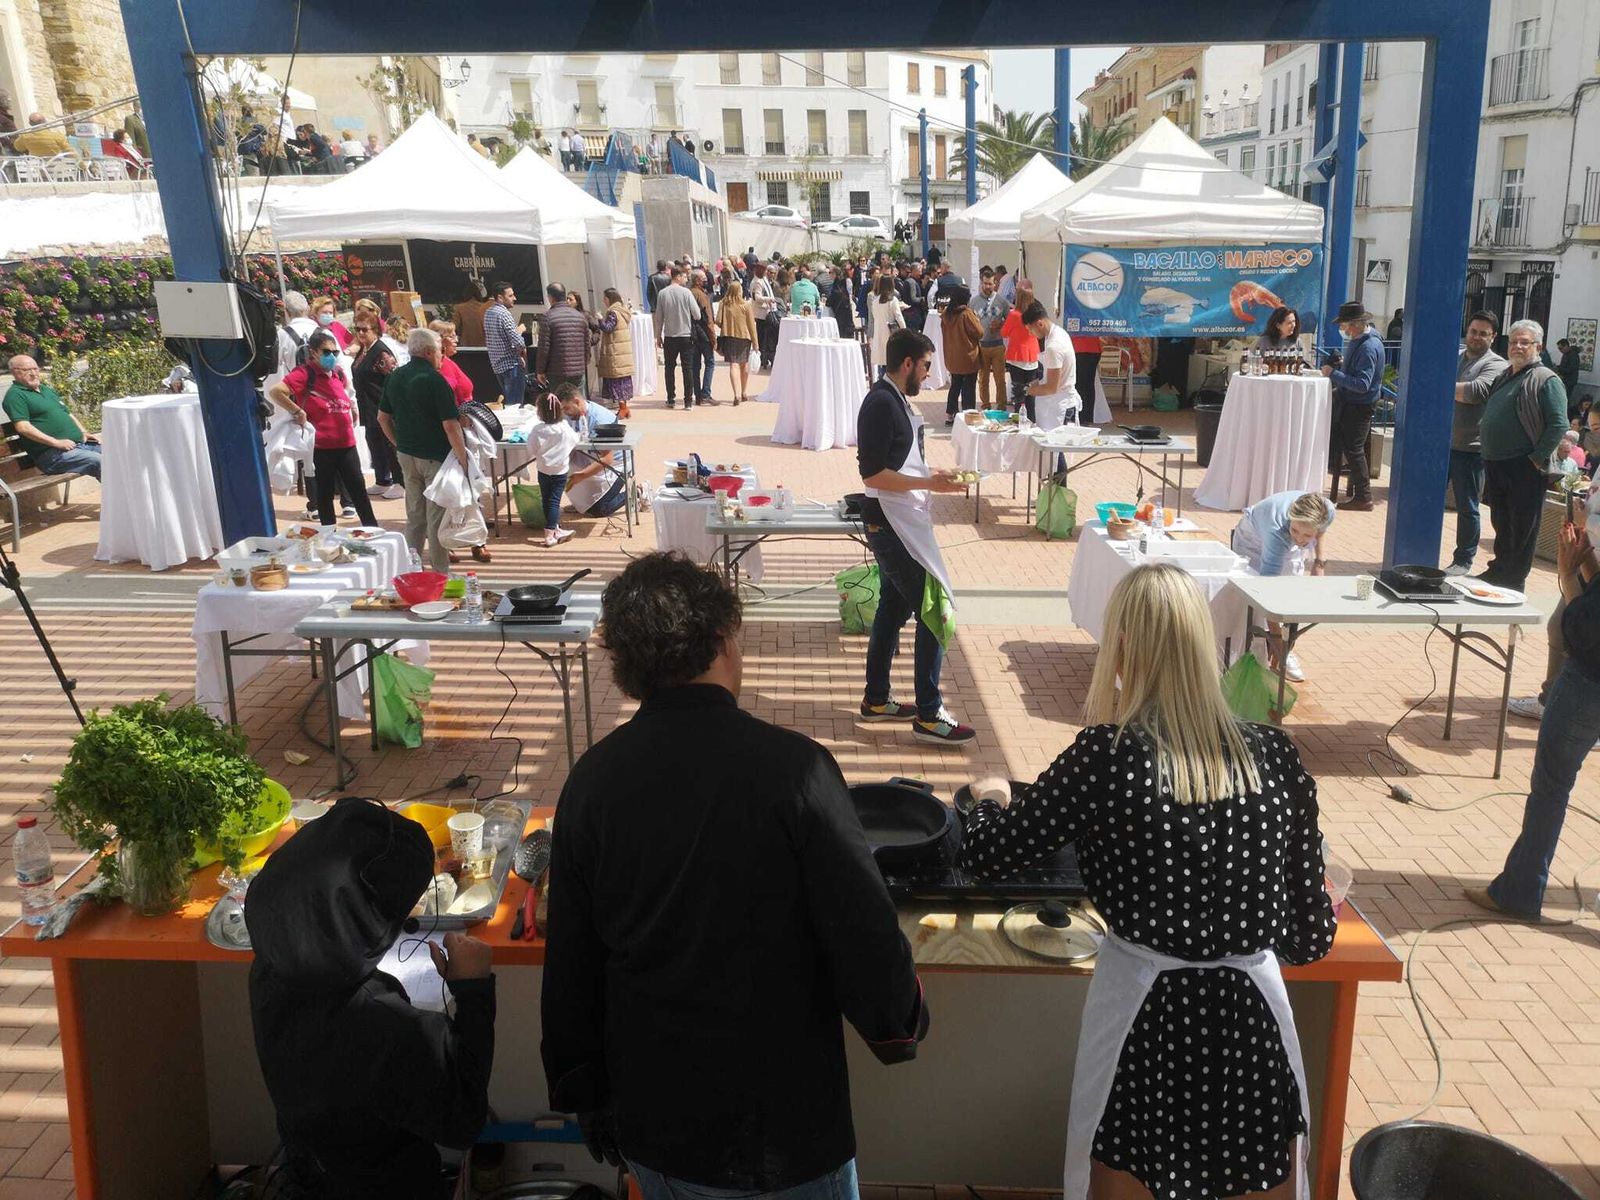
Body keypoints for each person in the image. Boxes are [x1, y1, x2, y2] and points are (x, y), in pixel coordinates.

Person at [542, 552, 929, 1190]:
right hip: (783, 1124)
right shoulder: (795, 770)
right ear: (723, 638)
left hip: (656, 1118)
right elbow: (863, 928)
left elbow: (572, 964)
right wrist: (899, 1021)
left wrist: (584, 1090)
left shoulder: (591, 783)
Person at [959, 562, 1335, 1200]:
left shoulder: (1106, 757)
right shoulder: (1273, 757)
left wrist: (988, 797)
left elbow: (989, 854)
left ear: (1125, 650)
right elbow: (1308, 938)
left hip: (1147, 1026)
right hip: (1251, 1033)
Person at [246, 796, 495, 1200]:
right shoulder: (384, 1025)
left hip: (310, 1173)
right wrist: (475, 990)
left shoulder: (271, 970)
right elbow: (463, 1120)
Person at [1468, 516, 1600, 921]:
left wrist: (1566, 571)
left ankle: (1520, 891)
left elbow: (1583, 629)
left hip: (1588, 682)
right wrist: (1584, 563)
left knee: (1551, 787)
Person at [857, 329, 975, 746]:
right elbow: (872, 475)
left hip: (900, 521)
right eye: (926, 365)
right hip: (890, 525)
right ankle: (929, 712)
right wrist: (931, 484)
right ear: (907, 363)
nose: (928, 373)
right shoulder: (880, 403)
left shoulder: (895, 399)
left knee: (893, 608)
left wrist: (931, 477)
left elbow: (900, 461)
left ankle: (876, 699)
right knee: (935, 607)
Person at [1477, 318, 1568, 592]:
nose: (1517, 346)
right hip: (1498, 463)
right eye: (1514, 341)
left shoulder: (1546, 379)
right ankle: (1500, 570)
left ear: (1537, 346)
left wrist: (1537, 458)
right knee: (1501, 521)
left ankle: (1514, 579)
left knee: (1522, 525)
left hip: (1524, 466)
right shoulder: (1506, 375)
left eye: (1524, 342)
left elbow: (1559, 423)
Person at [378, 328, 471, 572]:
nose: (442, 356)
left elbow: (382, 418)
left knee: (415, 516)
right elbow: (450, 426)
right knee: (436, 519)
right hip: (434, 457)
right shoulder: (435, 380)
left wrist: (398, 443)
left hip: (407, 455)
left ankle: (412, 569)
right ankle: (440, 573)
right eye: (440, 351)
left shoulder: (395, 376)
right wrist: (463, 459)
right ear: (429, 352)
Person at [268, 330, 378, 528]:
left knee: (359, 491)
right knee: (325, 495)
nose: (331, 356)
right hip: (321, 447)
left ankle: (372, 530)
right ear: (314, 352)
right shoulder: (304, 374)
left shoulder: (337, 374)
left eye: (335, 353)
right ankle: (329, 535)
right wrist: (297, 411)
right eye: (326, 352)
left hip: (346, 444)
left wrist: (351, 408)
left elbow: (343, 394)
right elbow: (276, 392)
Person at [1231, 490, 1335, 682]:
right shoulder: (1277, 533)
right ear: (1291, 518)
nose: (1300, 539)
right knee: (1255, 599)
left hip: (1283, 537)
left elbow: (1321, 530)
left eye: (1307, 534)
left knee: (1291, 594)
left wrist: (1319, 563)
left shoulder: (1327, 509)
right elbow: (1267, 593)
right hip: (1252, 541)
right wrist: (1279, 643)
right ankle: (1257, 649)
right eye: (1296, 530)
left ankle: (1285, 647)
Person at [1445, 310, 1508, 577]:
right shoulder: (1456, 358)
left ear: (1493, 337)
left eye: (1483, 333)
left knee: (1468, 508)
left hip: (1470, 449)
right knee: (1425, 498)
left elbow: (1475, 392)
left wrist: (1438, 385)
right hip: (1441, 446)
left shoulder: (1496, 364)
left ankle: (1463, 559)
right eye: (1473, 331)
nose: (1477, 337)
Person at [1321, 302, 1386, 512]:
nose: (1343, 330)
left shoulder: (1368, 347)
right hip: (1355, 404)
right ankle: (1360, 492)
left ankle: (1363, 496)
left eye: (1345, 326)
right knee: (1352, 448)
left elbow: (1362, 384)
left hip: (1359, 406)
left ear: (1356, 324)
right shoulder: (1364, 340)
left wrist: (1334, 373)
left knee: (1354, 450)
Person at [2, 355, 100, 479]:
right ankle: (118, 497)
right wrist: (56, 443)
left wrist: (83, 432)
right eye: (27, 370)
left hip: (79, 445)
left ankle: (128, 495)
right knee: (98, 461)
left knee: (116, 455)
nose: (33, 373)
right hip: (53, 456)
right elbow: (23, 427)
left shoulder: (45, 390)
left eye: (36, 369)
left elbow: (67, 414)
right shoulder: (15, 396)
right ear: (15, 372)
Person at [348, 316, 405, 500]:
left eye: (365, 329)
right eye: (358, 329)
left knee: (390, 443)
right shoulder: (363, 351)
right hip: (368, 406)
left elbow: (394, 377)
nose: (361, 333)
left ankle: (400, 482)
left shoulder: (381, 352)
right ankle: (382, 479)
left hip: (382, 406)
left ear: (376, 331)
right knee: (374, 441)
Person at [558, 384, 628, 517]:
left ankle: (635, 492)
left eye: (567, 408)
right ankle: (582, 503)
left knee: (600, 509)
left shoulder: (599, 419)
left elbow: (607, 459)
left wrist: (581, 475)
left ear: (577, 402)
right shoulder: (571, 416)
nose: (565, 412)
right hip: (590, 458)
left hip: (616, 465)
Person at [528, 388, 581, 547]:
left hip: (543, 469)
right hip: (559, 471)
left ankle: (555, 529)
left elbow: (531, 449)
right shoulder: (564, 427)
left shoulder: (537, 430)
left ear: (540, 412)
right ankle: (550, 533)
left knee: (546, 499)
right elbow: (575, 441)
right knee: (555, 501)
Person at [1023, 301, 1081, 432]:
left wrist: (1027, 391)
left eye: (1030, 330)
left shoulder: (1054, 346)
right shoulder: (1058, 332)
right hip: (1054, 405)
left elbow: (1051, 387)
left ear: (1039, 323)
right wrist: (1034, 383)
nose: (1031, 334)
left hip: (1059, 407)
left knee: (1056, 450)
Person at [655, 267, 700, 410]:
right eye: (684, 276)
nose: (685, 279)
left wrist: (658, 336)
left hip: (669, 335)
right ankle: (688, 401)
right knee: (687, 368)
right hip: (686, 335)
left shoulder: (662, 294)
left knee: (669, 368)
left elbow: (659, 317)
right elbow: (697, 314)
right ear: (678, 276)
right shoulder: (686, 293)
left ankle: (671, 398)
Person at [535, 283, 592, 396]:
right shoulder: (580, 316)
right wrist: (584, 362)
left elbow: (544, 348)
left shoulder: (548, 317)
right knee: (578, 403)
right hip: (578, 370)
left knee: (560, 405)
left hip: (557, 371)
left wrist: (540, 370)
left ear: (550, 297)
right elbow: (586, 343)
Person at [940, 286, 983, 426]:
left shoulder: (946, 314)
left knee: (955, 386)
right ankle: (968, 415)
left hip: (952, 357)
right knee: (969, 388)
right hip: (968, 356)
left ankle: (950, 414)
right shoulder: (966, 314)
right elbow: (979, 332)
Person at [1001, 279, 1041, 417]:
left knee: (1018, 393)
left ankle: (1018, 420)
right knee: (1031, 393)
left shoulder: (1014, 314)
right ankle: (1032, 420)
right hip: (1032, 356)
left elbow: (1004, 332)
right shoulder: (1036, 314)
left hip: (1017, 356)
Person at [484, 280, 527, 405]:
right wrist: (520, 332)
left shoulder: (488, 313)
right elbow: (517, 340)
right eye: (510, 295)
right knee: (515, 406)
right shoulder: (504, 314)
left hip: (497, 366)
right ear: (500, 298)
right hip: (511, 365)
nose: (514, 298)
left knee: (509, 403)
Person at [595, 288, 636, 413]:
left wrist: (600, 319)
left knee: (616, 381)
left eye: (605, 298)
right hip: (621, 352)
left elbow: (608, 328)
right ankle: (623, 407)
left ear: (609, 298)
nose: (604, 301)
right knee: (622, 381)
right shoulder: (622, 311)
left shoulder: (613, 312)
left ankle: (622, 408)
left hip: (615, 352)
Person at [715, 280, 756, 406]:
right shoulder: (746, 305)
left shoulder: (723, 303)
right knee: (744, 364)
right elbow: (751, 325)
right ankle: (744, 392)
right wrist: (756, 342)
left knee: (733, 365)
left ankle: (736, 394)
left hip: (729, 336)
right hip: (744, 337)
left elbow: (718, 321)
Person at [973, 272, 1010, 409]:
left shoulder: (1002, 301)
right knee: (983, 379)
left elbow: (1009, 321)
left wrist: (1000, 325)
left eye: (990, 283)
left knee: (1000, 379)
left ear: (995, 284)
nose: (987, 286)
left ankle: (1001, 406)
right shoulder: (974, 301)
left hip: (998, 346)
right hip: (981, 346)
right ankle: (985, 406)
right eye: (985, 283)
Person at [867, 274, 905, 381]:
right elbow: (899, 317)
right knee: (892, 364)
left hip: (879, 335)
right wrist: (905, 331)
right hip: (891, 335)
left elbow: (875, 318)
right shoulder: (893, 301)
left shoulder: (875, 302)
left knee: (882, 365)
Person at [689, 271, 719, 405]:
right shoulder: (701, 295)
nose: (706, 281)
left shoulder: (689, 293)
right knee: (710, 363)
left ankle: (698, 394)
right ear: (697, 281)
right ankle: (706, 393)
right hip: (704, 335)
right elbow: (707, 318)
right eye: (704, 279)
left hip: (692, 334)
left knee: (695, 366)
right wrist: (713, 338)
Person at [749, 261, 779, 370]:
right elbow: (757, 297)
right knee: (762, 337)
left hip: (769, 310)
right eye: (764, 269)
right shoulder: (756, 282)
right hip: (761, 313)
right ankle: (762, 358)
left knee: (769, 336)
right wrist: (769, 299)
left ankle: (768, 356)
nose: (766, 272)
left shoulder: (764, 279)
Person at [451, 282, 490, 348]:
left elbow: (454, 327)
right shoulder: (486, 308)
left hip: (465, 345)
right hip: (484, 346)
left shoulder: (459, 308)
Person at [826, 267, 856, 340]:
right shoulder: (843, 282)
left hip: (840, 314)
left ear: (835, 274)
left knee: (842, 334)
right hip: (847, 312)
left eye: (830, 273)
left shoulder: (836, 286)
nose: (829, 275)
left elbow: (829, 302)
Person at [1556, 339, 1583, 413]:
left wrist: (1560, 369)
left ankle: (1565, 414)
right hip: (1565, 380)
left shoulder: (1573, 355)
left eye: (1561, 348)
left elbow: (1572, 369)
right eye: (1559, 349)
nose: (1560, 350)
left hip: (1569, 381)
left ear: (1566, 346)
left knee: (1565, 399)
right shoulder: (1566, 354)